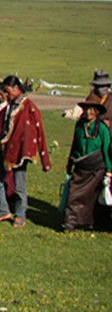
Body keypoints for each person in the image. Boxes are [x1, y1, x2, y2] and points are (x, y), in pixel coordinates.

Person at [0, 75, 51, 228]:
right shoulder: (11, 104)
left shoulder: (28, 106)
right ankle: (3, 210)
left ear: (16, 88)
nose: (6, 94)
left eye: (8, 91)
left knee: (19, 185)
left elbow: (38, 129)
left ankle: (20, 215)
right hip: (6, 148)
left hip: (20, 151)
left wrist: (45, 159)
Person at [63, 99, 112, 231]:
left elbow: (106, 149)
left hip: (97, 168)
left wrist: (109, 170)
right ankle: (70, 221)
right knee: (74, 194)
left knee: (91, 198)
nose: (88, 112)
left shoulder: (102, 128)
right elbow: (75, 144)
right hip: (80, 166)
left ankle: (86, 222)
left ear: (96, 112)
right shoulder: (80, 125)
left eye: (91, 109)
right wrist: (69, 163)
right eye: (86, 109)